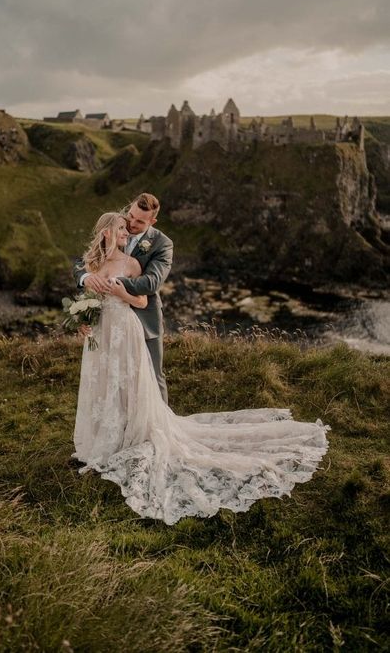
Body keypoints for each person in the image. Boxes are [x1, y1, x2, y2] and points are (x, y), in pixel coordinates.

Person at [72, 211, 330, 526]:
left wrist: (119, 291)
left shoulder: (132, 265)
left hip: (125, 330)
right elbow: (83, 295)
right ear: (106, 233)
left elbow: (141, 302)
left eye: (128, 230)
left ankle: (127, 435)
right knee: (102, 386)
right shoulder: (91, 264)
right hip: (101, 335)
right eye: (121, 231)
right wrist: (82, 322)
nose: (126, 235)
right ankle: (101, 438)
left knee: (127, 384)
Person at [74, 193, 173, 402]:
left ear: (152, 221)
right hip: (109, 323)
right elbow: (85, 260)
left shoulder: (162, 244)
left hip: (144, 319)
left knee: (152, 375)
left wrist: (112, 282)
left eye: (139, 221)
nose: (131, 224)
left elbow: (151, 283)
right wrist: (86, 277)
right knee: (112, 375)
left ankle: (158, 428)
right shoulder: (117, 226)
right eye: (130, 215)